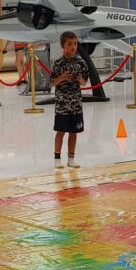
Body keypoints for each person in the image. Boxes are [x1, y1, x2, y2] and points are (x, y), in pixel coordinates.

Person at [50, 32, 89, 169]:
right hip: (62, 105)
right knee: (60, 131)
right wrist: (61, 78)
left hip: (76, 104)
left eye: (75, 44)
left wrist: (80, 80)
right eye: (69, 44)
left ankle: (71, 159)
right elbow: (51, 83)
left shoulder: (81, 63)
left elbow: (84, 82)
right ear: (63, 46)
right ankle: (57, 159)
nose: (73, 47)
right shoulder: (58, 63)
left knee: (74, 131)